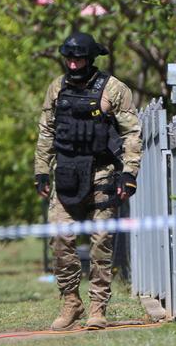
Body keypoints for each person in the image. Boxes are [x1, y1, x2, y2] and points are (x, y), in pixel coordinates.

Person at [34, 31, 142, 330]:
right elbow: (46, 132)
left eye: (78, 59)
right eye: (68, 59)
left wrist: (129, 173)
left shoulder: (114, 89)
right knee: (60, 237)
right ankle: (71, 301)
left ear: (90, 58)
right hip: (66, 172)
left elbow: (131, 133)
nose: (72, 65)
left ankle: (98, 306)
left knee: (100, 242)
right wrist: (41, 170)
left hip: (103, 173)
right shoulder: (56, 88)